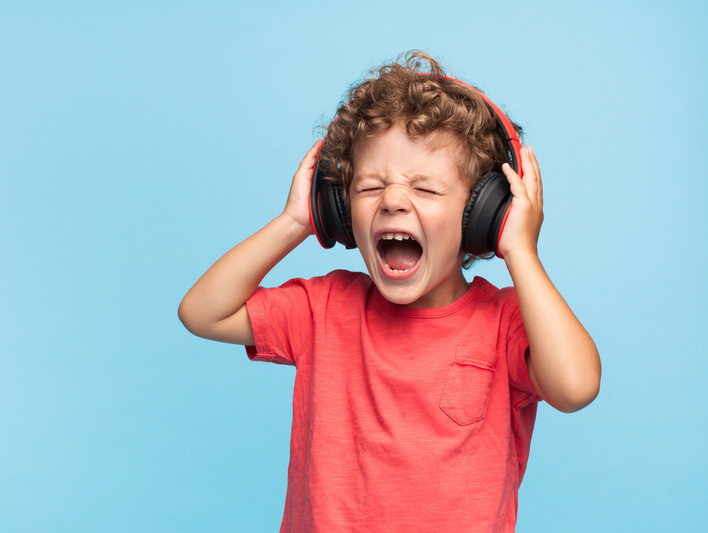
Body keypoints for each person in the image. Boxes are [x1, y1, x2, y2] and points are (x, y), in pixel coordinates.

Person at [179, 51, 601, 532]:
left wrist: (522, 251)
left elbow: (575, 387)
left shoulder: (504, 322)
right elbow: (202, 313)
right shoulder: (322, 309)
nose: (393, 201)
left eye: (426, 190)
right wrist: (295, 221)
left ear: (482, 216)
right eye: (369, 187)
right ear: (337, 208)